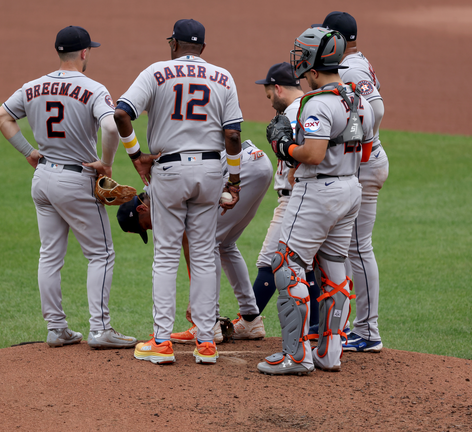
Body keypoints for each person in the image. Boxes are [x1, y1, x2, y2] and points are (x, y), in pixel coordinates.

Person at [0, 26, 138, 350]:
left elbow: (1, 116)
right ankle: (100, 329)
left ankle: (56, 328)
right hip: (75, 180)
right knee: (101, 254)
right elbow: (111, 125)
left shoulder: (32, 87)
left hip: (42, 178)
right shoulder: (93, 88)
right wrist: (106, 162)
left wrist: (28, 151)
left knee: (50, 254)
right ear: (85, 53)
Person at [113, 19, 244, 365]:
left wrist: (136, 155)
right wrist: (234, 180)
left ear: (173, 44)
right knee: (203, 256)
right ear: (203, 48)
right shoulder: (223, 77)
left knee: (167, 256)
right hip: (211, 171)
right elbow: (233, 135)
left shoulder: (156, 72)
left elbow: (121, 114)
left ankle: (161, 342)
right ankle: (206, 343)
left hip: (169, 170)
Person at [256, 27, 375, 375]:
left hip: (318, 192)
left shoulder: (317, 104)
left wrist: (283, 146)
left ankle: (295, 355)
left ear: (311, 62)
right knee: (335, 268)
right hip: (351, 188)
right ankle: (329, 353)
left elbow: (312, 154)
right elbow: (366, 152)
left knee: (287, 264)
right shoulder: (360, 100)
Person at [117, 141, 272, 344]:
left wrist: (196, 301)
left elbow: (188, 241)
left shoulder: (161, 191)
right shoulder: (159, 185)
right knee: (225, 244)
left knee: (210, 242)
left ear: (141, 209)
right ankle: (250, 319)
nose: (152, 228)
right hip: (257, 162)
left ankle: (209, 323)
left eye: (146, 225)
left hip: (241, 168)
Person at [315, 12, 389, 353]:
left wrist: (358, 141)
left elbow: (376, 108)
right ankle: (344, 325)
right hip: (363, 162)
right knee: (345, 246)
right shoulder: (356, 61)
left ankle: (368, 331)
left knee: (358, 247)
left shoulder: (350, 69)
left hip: (365, 164)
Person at [251, 62, 322, 336]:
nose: (270, 102)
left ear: (278, 88)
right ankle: (316, 325)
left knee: (269, 260)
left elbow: (304, 150)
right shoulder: (313, 105)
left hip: (294, 198)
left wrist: (294, 170)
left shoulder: (294, 111)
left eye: (270, 95)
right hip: (314, 196)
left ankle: (249, 320)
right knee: (306, 263)